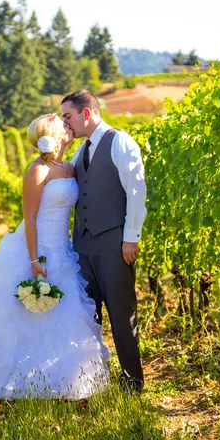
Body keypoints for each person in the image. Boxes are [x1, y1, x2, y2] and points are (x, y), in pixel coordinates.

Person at [0, 114, 109, 399]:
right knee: (24, 313)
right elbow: (30, 217)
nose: (68, 127)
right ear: (52, 134)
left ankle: (63, 380)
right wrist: (34, 260)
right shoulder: (37, 170)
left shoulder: (67, 167)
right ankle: (17, 382)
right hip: (39, 248)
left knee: (65, 312)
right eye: (62, 125)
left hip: (64, 248)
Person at [61, 90, 147, 394]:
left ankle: (132, 382)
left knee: (122, 314)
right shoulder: (80, 149)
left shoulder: (120, 141)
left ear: (86, 113)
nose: (65, 124)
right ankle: (92, 380)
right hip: (82, 245)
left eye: (67, 117)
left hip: (113, 242)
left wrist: (130, 239)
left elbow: (137, 192)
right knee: (87, 314)